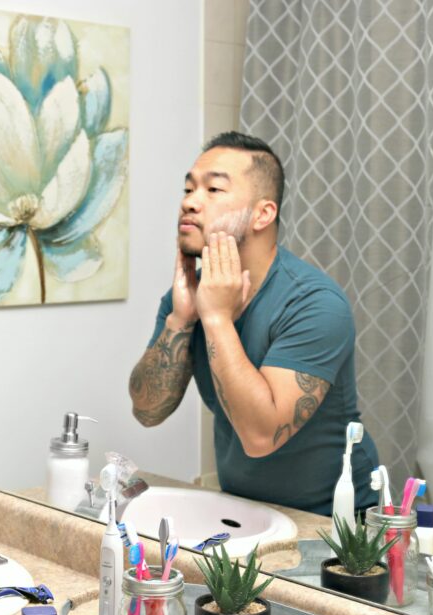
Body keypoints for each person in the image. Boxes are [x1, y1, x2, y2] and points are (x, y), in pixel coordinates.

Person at [129, 131, 378, 516]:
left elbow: (262, 436)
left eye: (213, 190)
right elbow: (147, 410)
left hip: (337, 523)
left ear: (263, 214)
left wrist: (215, 318)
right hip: (244, 510)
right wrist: (180, 319)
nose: (190, 203)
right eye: (188, 188)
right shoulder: (190, 296)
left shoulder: (314, 304)